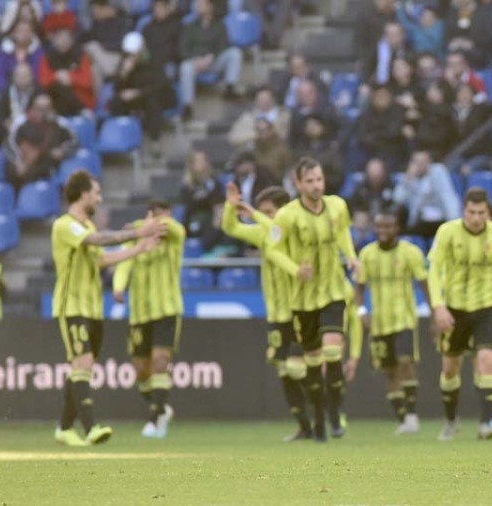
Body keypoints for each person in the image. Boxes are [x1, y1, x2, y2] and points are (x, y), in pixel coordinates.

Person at [51, 169, 164, 447]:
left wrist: (138, 250)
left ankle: (64, 428)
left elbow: (101, 259)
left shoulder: (87, 227)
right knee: (83, 363)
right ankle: (90, 428)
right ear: (83, 193)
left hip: (92, 308)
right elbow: (97, 241)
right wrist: (139, 232)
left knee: (80, 366)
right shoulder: (65, 225)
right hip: (72, 306)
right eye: (97, 192)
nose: (100, 199)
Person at [272, 157, 359, 441]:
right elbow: (272, 250)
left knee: (333, 350)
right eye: (309, 181)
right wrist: (295, 269)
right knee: (311, 362)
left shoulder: (338, 206)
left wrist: (352, 257)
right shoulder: (286, 216)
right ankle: (319, 421)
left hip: (333, 291)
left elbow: (343, 233)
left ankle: (335, 413)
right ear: (298, 184)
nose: (316, 185)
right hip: (303, 300)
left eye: (319, 179)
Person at [221, 182, 315, 441]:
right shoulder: (264, 234)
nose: (267, 216)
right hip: (276, 314)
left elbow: (277, 230)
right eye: (264, 212)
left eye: (270, 211)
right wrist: (231, 206)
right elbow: (231, 227)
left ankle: (327, 411)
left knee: (301, 368)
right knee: (285, 371)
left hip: (299, 309)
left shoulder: (296, 232)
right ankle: (305, 427)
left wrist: (255, 215)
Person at [428, 187, 492, 441]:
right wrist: (438, 306)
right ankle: (450, 420)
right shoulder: (447, 233)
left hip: (487, 308)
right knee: (450, 368)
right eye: (471, 212)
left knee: (488, 362)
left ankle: (487, 423)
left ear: (487, 212)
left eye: (481, 213)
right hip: (454, 309)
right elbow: (434, 270)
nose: (477, 218)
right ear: (463, 211)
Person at [112, 200, 184, 439]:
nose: (165, 223)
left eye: (168, 217)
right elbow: (125, 263)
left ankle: (154, 421)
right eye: (160, 217)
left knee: (160, 361)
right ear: (150, 214)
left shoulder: (174, 238)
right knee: (141, 371)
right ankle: (162, 408)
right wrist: (118, 286)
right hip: (140, 314)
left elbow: (175, 228)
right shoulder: (139, 238)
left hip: (167, 310)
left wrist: (143, 225)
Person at [355, 209, 430, 434]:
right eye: (379, 226)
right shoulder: (367, 254)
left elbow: (424, 283)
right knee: (389, 371)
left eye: (388, 226)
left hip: (404, 319)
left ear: (397, 229)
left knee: (406, 362)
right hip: (379, 322)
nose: (384, 231)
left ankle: (412, 414)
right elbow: (358, 286)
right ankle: (402, 418)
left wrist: (436, 313)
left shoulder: (411, 252)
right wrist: (361, 311)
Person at [178, 0, 242, 118]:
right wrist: (196, 60)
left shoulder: (219, 24)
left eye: (201, 4)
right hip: (195, 63)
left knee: (234, 53)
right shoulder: (190, 26)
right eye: (197, 5)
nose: (198, 7)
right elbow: (182, 48)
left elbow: (224, 44)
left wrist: (210, 58)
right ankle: (187, 106)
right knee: (185, 67)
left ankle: (230, 88)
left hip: (213, 61)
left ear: (210, 6)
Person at [110, 32, 177, 144]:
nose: (132, 56)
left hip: (160, 95)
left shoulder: (155, 58)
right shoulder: (125, 61)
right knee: (117, 101)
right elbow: (117, 88)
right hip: (139, 96)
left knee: (152, 101)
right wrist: (123, 74)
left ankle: (155, 140)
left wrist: (138, 92)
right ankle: (121, 134)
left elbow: (161, 85)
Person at [5, 91, 77, 189]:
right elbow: (9, 144)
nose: (43, 112)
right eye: (39, 108)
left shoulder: (59, 123)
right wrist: (18, 161)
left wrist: (63, 151)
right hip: (25, 162)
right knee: (11, 169)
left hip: (49, 163)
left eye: (47, 108)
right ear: (33, 108)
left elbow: (74, 141)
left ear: (52, 108)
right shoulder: (21, 123)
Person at [392, 150, 461, 239]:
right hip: (419, 221)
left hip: (440, 220)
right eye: (416, 162)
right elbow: (397, 198)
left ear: (429, 162)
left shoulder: (438, 172)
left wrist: (453, 223)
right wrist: (407, 179)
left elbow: (448, 197)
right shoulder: (410, 177)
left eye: (423, 161)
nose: (420, 164)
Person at [38, 27, 95, 116]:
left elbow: (87, 81)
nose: (63, 41)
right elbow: (43, 81)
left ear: (71, 40)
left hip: (80, 98)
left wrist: (71, 78)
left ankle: (81, 110)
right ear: (54, 40)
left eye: (66, 38)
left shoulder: (81, 56)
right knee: (58, 87)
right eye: (60, 38)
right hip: (56, 100)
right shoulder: (48, 58)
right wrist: (57, 76)